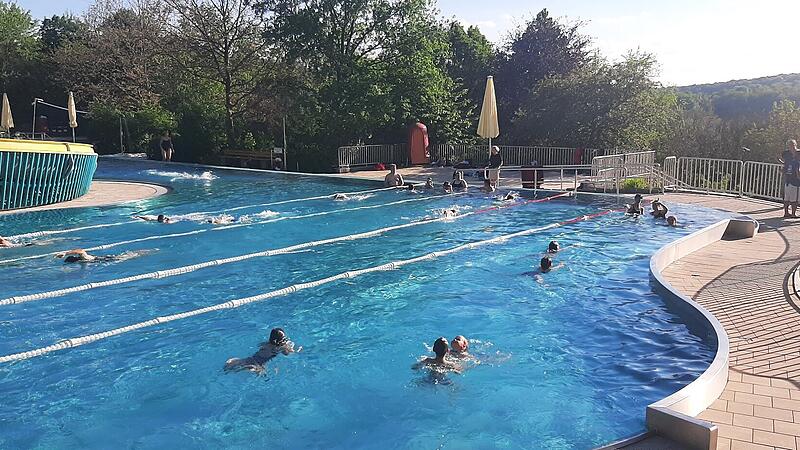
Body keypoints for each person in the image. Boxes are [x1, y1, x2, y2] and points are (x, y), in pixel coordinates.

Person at [224, 328, 300, 374]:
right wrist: (294, 348)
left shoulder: (266, 344)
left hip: (251, 358)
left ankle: (231, 366)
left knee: (238, 364)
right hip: (259, 364)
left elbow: (259, 345)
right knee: (258, 371)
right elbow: (287, 353)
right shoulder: (280, 348)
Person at [782, 140, 800, 218]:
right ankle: (790, 213)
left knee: (791, 197)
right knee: (790, 197)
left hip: (792, 178)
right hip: (791, 179)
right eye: (789, 145)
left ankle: (790, 213)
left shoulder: (797, 153)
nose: (791, 146)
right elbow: (785, 164)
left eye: (792, 144)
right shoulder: (787, 154)